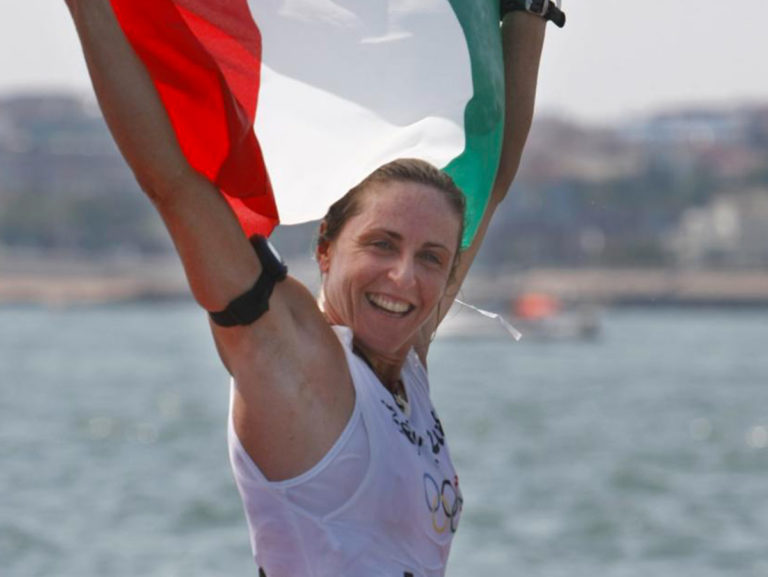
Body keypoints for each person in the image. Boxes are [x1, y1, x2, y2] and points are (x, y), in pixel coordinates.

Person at [65, 1, 555, 574]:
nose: (404, 276)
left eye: (430, 257)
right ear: (325, 247)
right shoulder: (293, 362)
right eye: (381, 244)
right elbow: (174, 183)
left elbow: (493, 182)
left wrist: (528, 14)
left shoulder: (404, 357)